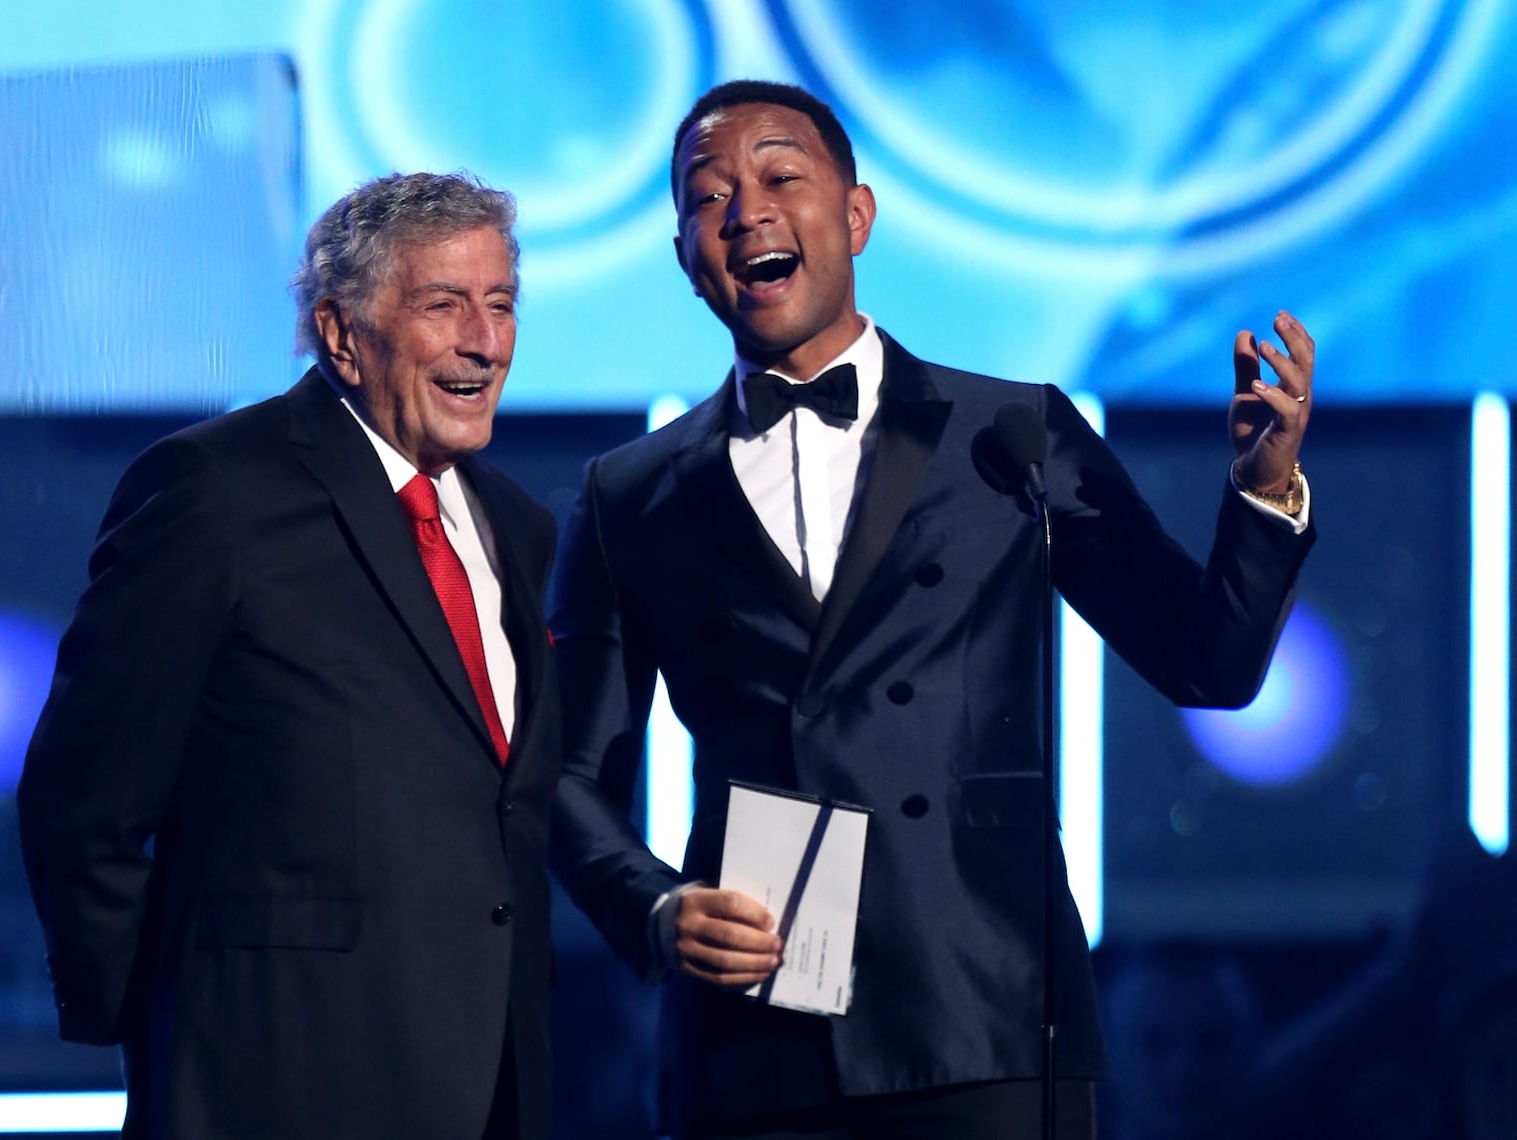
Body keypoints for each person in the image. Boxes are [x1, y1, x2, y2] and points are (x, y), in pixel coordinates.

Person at [547, 80, 1315, 1139]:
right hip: (756, 1039)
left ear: (855, 217)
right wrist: (652, 905)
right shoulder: (629, 495)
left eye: (780, 176)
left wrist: (1263, 491)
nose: (745, 212)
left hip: (984, 1013)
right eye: (706, 197)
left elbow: (1208, 665)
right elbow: (567, 775)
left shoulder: (1012, 433)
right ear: (685, 257)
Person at [17, 171, 560, 1139]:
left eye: (501, 304)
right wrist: (169, 1020)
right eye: (444, 306)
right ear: (344, 335)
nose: (486, 341)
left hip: (489, 1088)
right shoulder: (216, 491)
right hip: (273, 1084)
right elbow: (83, 798)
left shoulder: (516, 529)